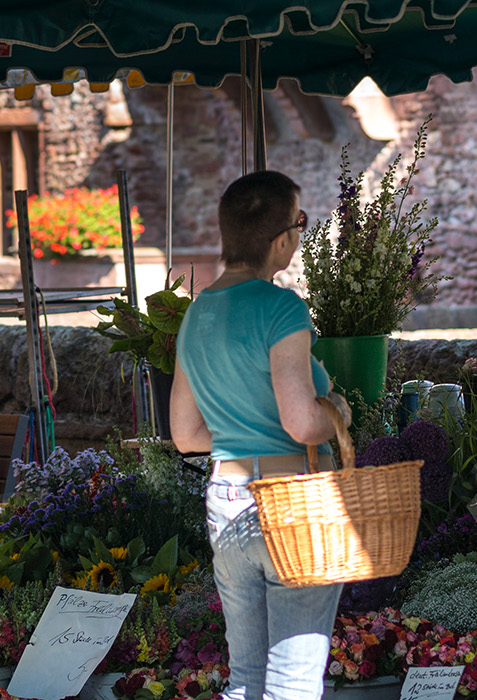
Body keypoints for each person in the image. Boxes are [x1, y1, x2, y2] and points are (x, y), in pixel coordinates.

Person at [169, 171, 349, 700]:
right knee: (293, 683)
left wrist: (242, 428)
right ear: (283, 240)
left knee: (246, 679)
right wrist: (336, 409)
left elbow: (186, 434)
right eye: (299, 223)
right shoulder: (281, 308)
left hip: (226, 496)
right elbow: (302, 424)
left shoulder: (196, 312)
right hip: (291, 500)